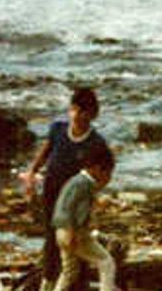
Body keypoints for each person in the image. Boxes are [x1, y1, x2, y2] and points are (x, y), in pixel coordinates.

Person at [18, 87, 110, 291]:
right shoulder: (58, 129)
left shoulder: (96, 143)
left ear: (93, 114)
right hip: (51, 193)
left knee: (77, 242)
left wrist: (92, 193)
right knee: (51, 241)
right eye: (74, 109)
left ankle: (79, 285)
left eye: (83, 111)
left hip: (73, 200)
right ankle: (47, 284)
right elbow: (44, 152)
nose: (77, 115)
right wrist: (31, 173)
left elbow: (106, 170)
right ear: (70, 109)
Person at [50, 146, 116, 291]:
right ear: (97, 168)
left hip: (61, 232)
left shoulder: (79, 182)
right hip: (73, 233)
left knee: (69, 271)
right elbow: (68, 210)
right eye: (108, 172)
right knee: (106, 262)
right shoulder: (83, 185)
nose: (109, 177)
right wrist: (71, 231)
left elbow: (75, 204)